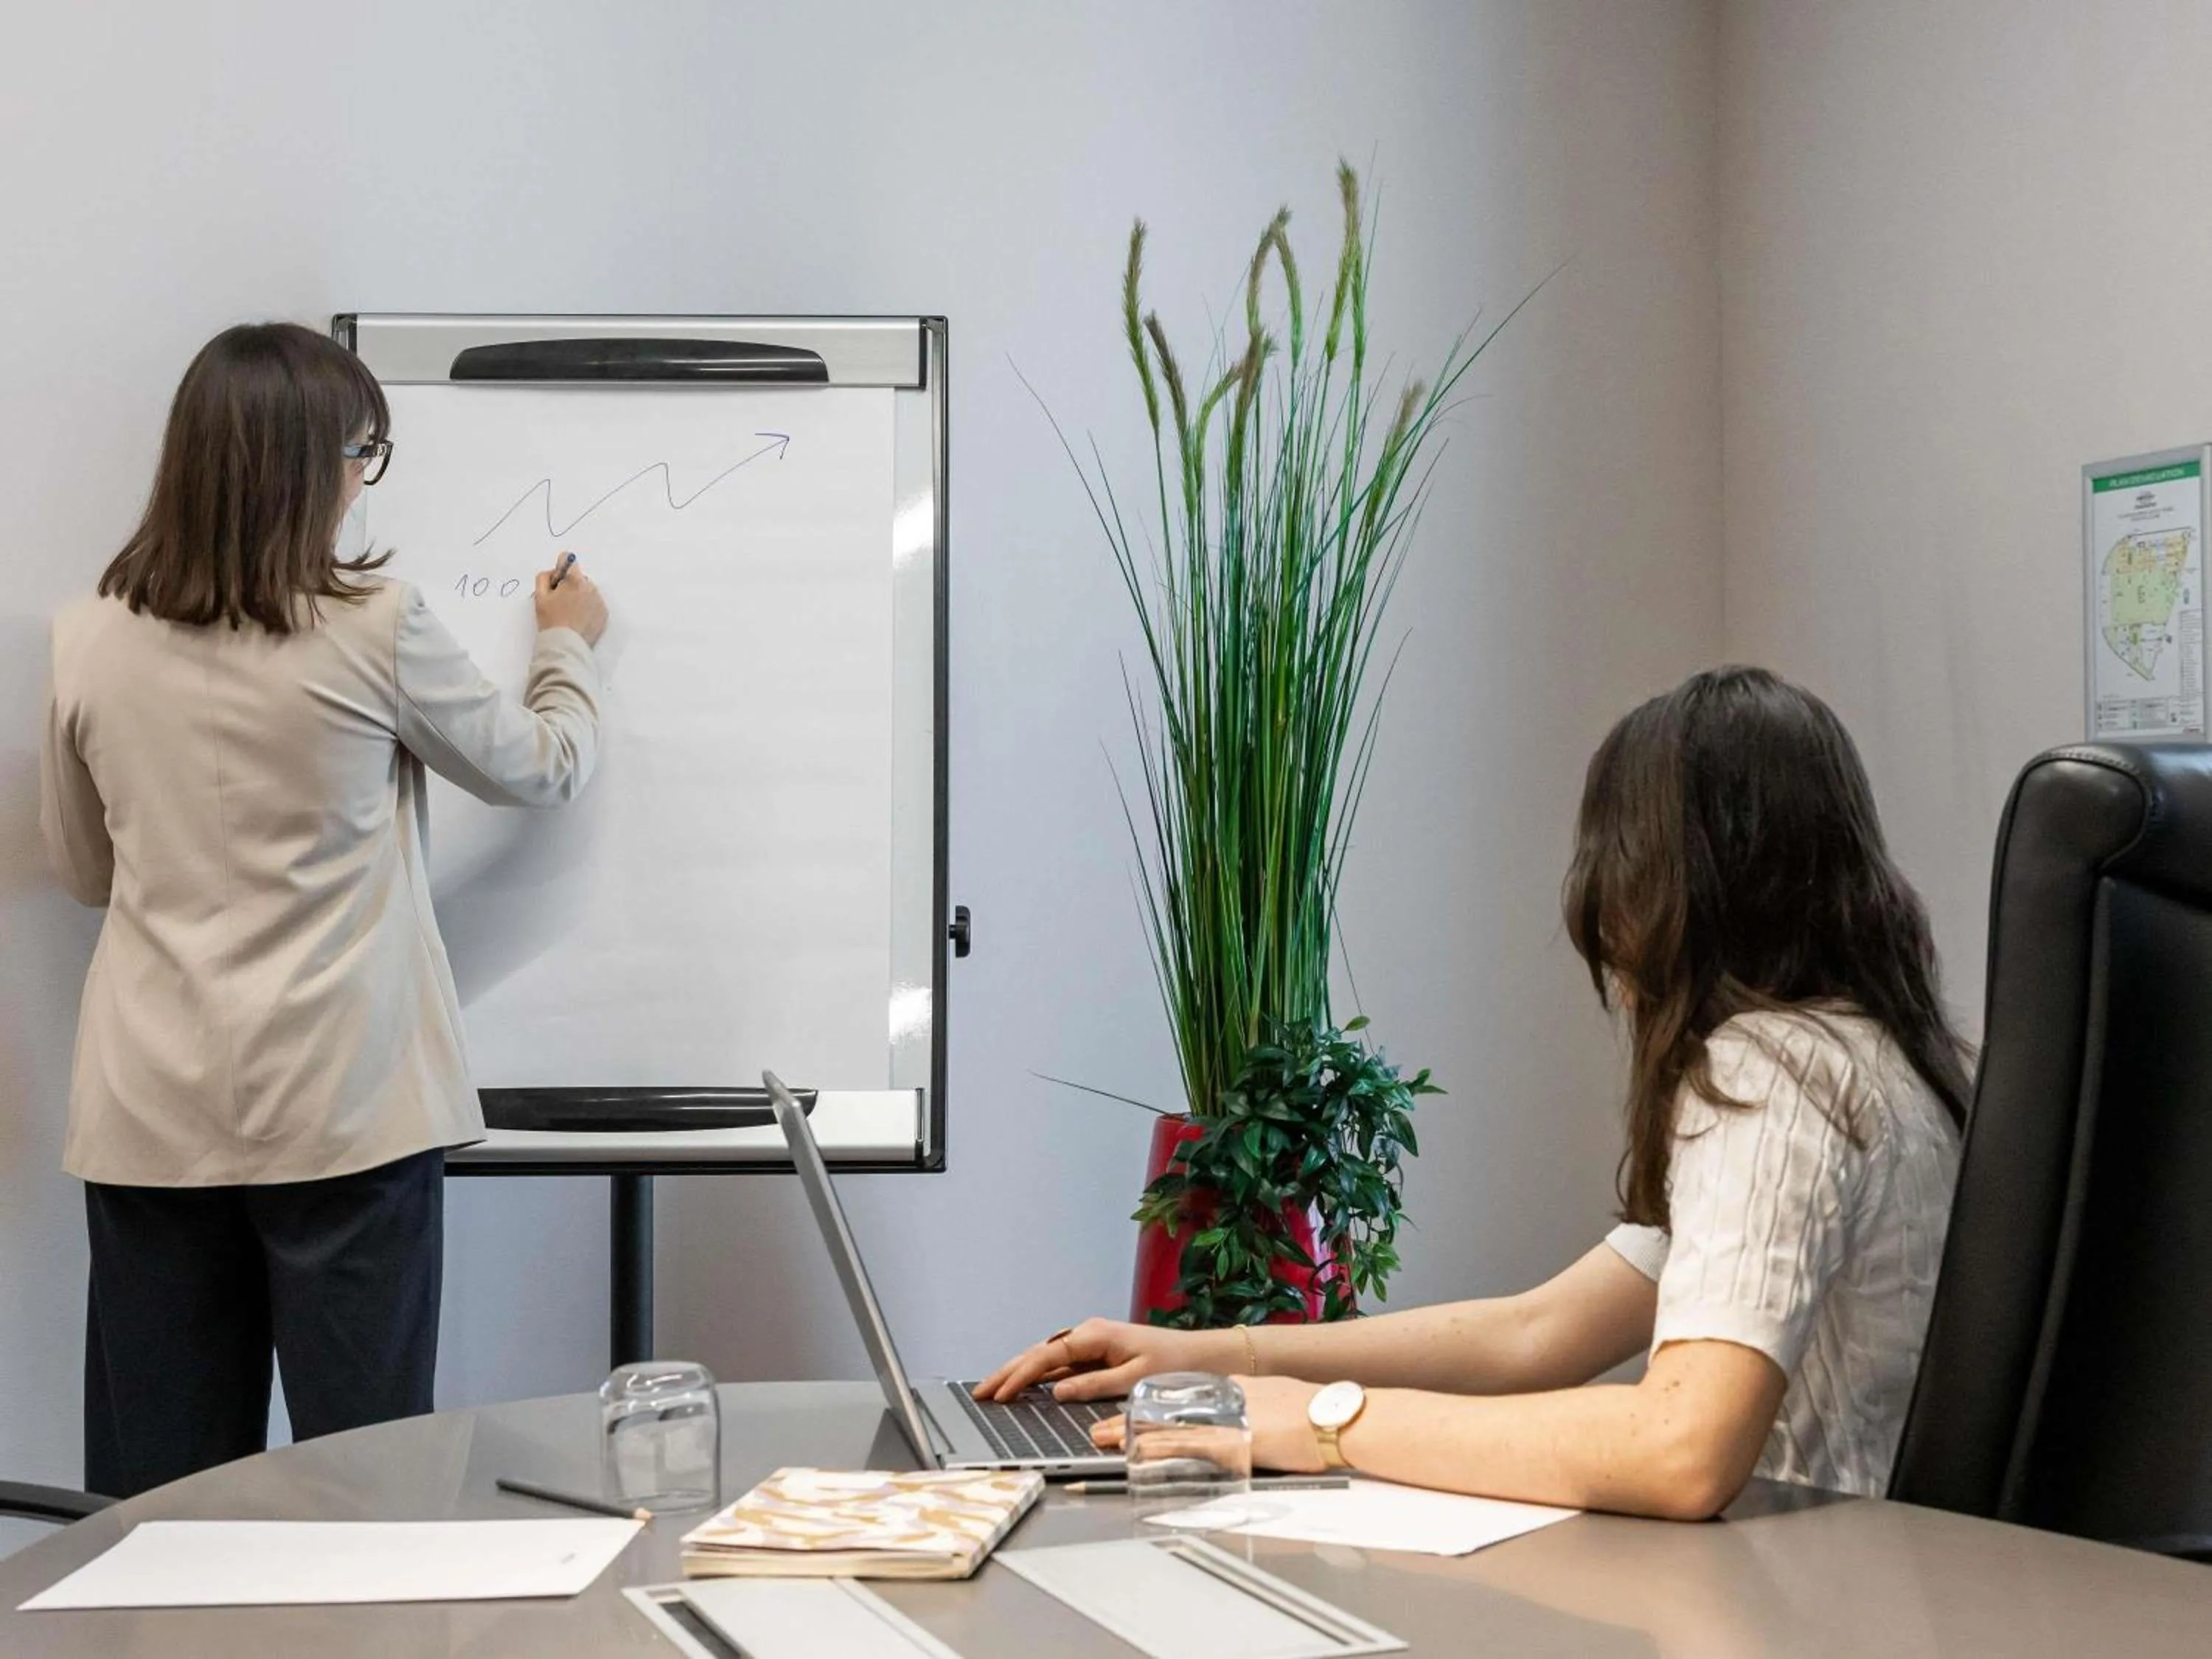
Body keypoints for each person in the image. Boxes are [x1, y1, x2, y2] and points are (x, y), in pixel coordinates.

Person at [978, 667, 1970, 1517]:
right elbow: (1537, 1331)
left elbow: (1682, 1448)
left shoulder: (1776, 1074)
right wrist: (1215, 1356)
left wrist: (1323, 1424)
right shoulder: (1869, 1060)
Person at [40, 321, 610, 1498]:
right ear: (303, 465)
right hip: (348, 1114)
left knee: (159, 1500)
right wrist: (568, 647)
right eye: (362, 450)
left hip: (151, 1120)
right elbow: (545, 765)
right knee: (373, 1483)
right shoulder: (374, 624)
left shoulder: (87, 637)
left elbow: (88, 872)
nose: (364, 478)